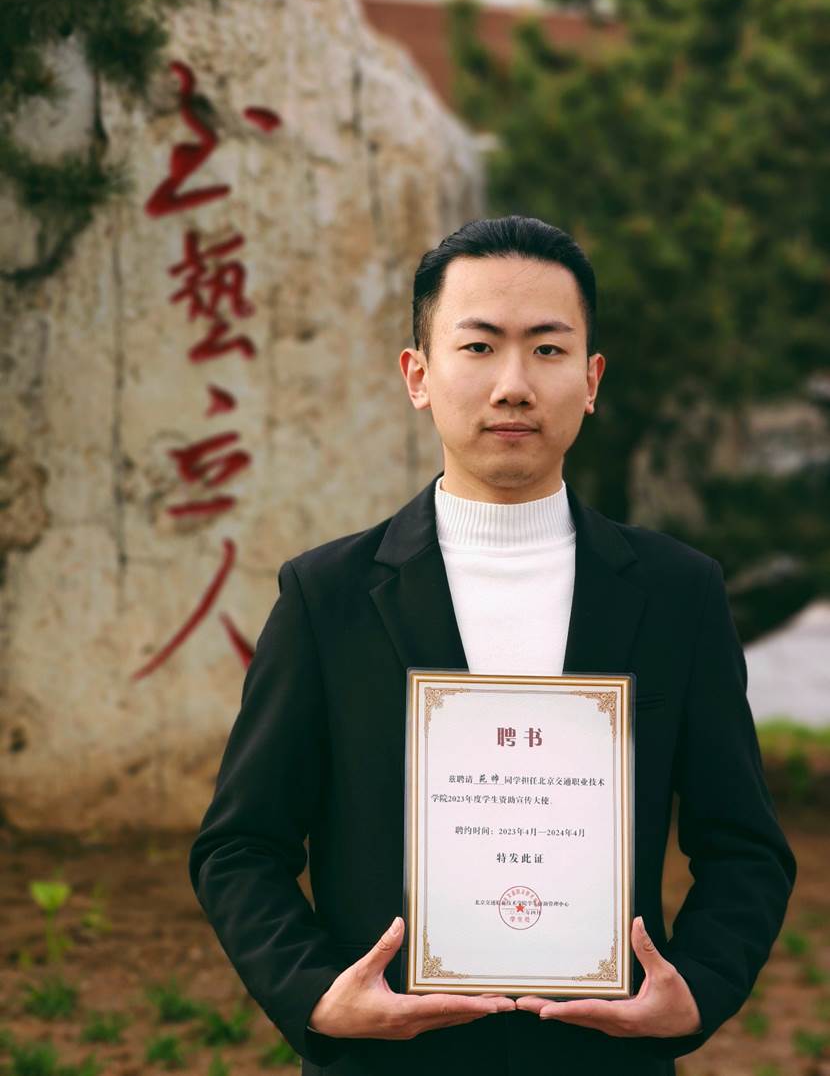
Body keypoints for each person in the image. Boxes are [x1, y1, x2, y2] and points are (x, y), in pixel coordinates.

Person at [188, 216, 797, 1075]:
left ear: (591, 379)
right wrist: (317, 993)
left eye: (547, 350)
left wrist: (697, 987)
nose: (514, 385)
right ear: (418, 375)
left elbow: (744, 846)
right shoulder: (327, 597)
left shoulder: (676, 594)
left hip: (602, 1060)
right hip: (391, 1064)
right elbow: (241, 845)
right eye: (478, 347)